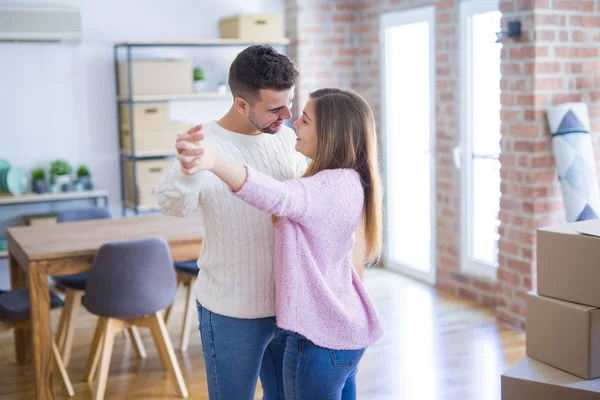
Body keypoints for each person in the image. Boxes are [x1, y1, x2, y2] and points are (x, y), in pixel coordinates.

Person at [175, 88, 384, 400]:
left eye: (305, 120)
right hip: (344, 335)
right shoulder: (346, 180)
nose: (293, 124)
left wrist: (214, 160)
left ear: (330, 133)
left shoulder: (327, 188)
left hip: (321, 342)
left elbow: (277, 196)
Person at [156, 45, 306, 400]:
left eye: (290, 103)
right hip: (231, 312)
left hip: (289, 307)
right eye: (274, 108)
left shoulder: (289, 139)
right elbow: (171, 204)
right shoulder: (204, 144)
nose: (287, 115)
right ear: (241, 104)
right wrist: (186, 170)